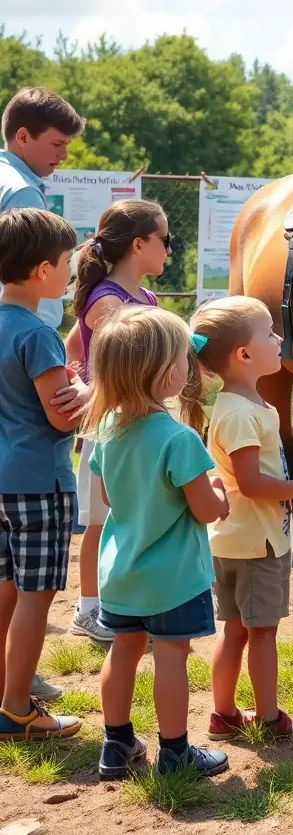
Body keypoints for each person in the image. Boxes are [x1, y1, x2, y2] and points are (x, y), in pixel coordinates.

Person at [84, 305, 230, 778]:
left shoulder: (107, 432)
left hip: (121, 573)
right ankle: (174, 752)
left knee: (122, 650)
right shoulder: (179, 437)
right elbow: (205, 509)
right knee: (172, 657)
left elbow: (108, 495)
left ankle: (116, 744)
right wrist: (220, 495)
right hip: (173, 578)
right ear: (169, 375)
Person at [189, 296, 293, 741]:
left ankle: (222, 715)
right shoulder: (241, 414)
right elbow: (249, 482)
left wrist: (284, 497)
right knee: (262, 634)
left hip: (237, 539)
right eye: (270, 333)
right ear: (244, 354)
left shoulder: (245, 405)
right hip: (256, 545)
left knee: (237, 630)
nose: (279, 339)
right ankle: (270, 718)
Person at [0, 208, 86, 739]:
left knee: (4, 590)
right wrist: (92, 391)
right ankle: (16, 709)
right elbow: (61, 413)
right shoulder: (38, 334)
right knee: (35, 598)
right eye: (66, 261)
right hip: (40, 485)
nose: (71, 269)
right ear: (41, 271)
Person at [66, 199, 169, 645]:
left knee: (126, 517)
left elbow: (74, 346)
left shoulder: (143, 297)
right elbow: (94, 355)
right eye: (166, 240)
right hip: (110, 432)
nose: (171, 249)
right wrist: (87, 389)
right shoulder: (108, 301)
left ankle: (123, 603)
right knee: (99, 522)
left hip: (137, 427)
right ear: (140, 243)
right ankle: (88, 609)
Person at [0, 88, 85, 331]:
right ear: (23, 137)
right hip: (24, 331)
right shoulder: (22, 192)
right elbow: (35, 276)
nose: (64, 155)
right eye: (57, 144)